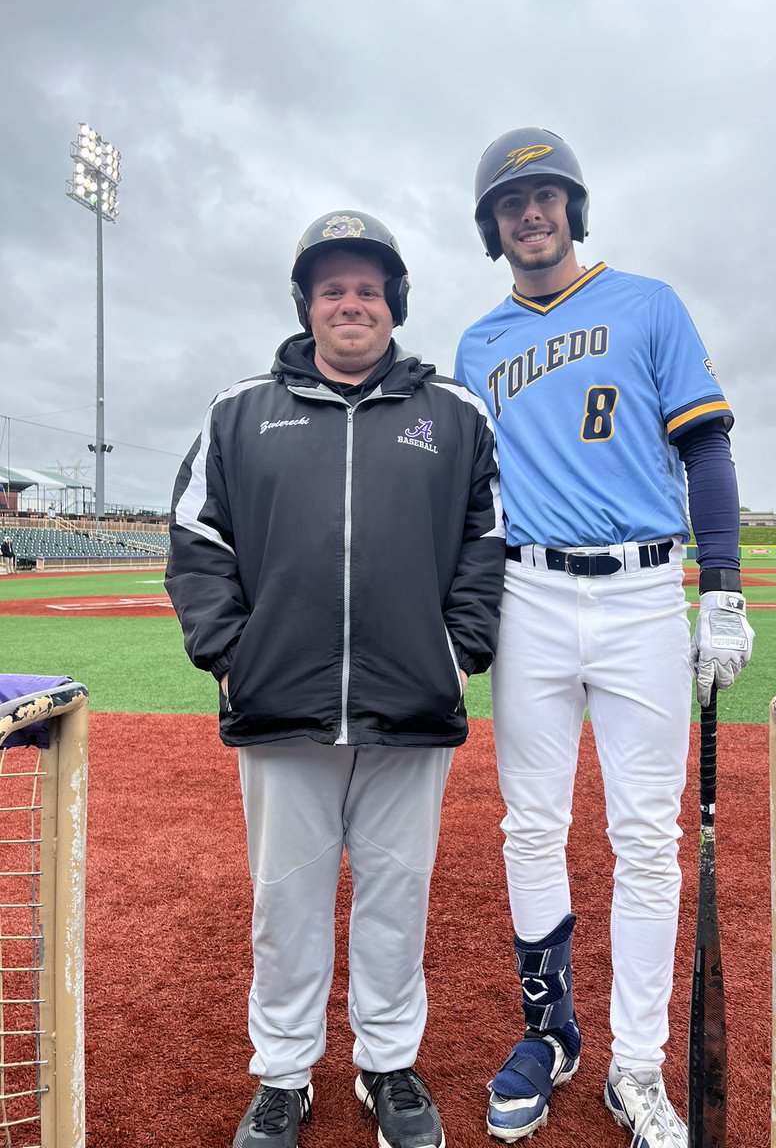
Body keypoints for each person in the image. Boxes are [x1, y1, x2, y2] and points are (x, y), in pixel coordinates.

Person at [166, 210, 505, 1148]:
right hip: (281, 710)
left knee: (398, 898)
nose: (350, 304)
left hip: (411, 705)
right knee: (287, 905)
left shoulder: (452, 414)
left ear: (393, 303)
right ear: (307, 304)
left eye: (367, 289)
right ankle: (283, 1075)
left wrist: (455, 650)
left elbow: (487, 546)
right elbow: (195, 545)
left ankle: (387, 1065)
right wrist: (235, 655)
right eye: (332, 289)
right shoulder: (239, 411)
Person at [454, 128, 754, 1148]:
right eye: (510, 203)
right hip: (528, 594)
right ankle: (552, 1033)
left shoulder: (649, 302)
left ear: (574, 209)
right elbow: (471, 499)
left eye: (546, 196)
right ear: (492, 227)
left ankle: (637, 1067)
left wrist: (722, 586)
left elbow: (706, 445)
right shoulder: (477, 345)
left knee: (645, 841)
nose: (529, 214)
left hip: (639, 593)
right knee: (529, 827)